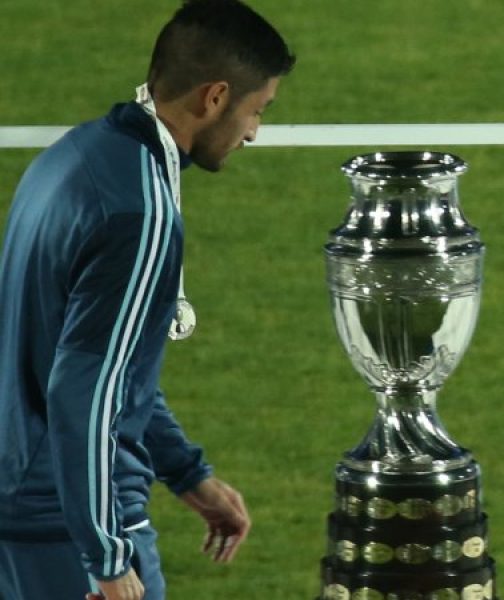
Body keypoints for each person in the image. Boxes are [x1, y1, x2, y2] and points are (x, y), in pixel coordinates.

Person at [0, 1, 294, 599]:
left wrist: (187, 473)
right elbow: (85, 391)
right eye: (256, 110)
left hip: (23, 503)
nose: (253, 132)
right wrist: (106, 558)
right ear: (215, 97)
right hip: (67, 526)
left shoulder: (75, 155)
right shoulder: (138, 212)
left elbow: (109, 360)